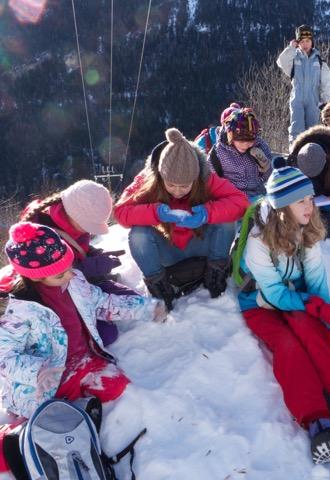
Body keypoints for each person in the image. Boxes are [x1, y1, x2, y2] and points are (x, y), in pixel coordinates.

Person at [0, 222, 167, 472]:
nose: (69, 275)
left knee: (115, 386)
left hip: (81, 360)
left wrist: (144, 309)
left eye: (69, 267)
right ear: (34, 275)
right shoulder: (18, 311)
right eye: (60, 274)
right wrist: (36, 371)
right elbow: (4, 355)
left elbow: (102, 303)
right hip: (41, 380)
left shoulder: (74, 281)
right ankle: (13, 439)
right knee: (51, 422)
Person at [238, 159, 330, 464]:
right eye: (301, 201)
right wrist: (311, 305)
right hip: (260, 303)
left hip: (296, 295)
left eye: (310, 198)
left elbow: (315, 278)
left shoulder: (307, 229)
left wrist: (322, 312)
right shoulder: (259, 241)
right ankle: (317, 421)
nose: (310, 206)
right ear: (282, 207)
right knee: (288, 346)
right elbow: (272, 293)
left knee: (311, 332)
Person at [114, 127, 249, 310]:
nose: (177, 191)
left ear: (195, 179)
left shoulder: (206, 178)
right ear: (161, 177)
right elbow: (121, 212)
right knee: (139, 234)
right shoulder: (148, 180)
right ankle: (161, 290)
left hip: (201, 243)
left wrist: (206, 213)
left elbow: (240, 202)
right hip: (168, 250)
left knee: (225, 220)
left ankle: (216, 276)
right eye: (171, 185)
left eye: (185, 186)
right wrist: (156, 213)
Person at [18, 179, 135, 346]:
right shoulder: (41, 233)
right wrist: (95, 266)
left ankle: (92, 315)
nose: (89, 230)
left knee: (131, 301)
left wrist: (96, 254)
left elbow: (80, 248)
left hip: (82, 285)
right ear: (73, 214)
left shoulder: (71, 223)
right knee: (106, 335)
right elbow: (56, 275)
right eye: (88, 225)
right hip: (58, 294)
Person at [289, 125, 330, 237]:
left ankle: (315, 229)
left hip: (329, 203)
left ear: (326, 160)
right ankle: (312, 228)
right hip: (304, 204)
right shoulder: (295, 158)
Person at [277, 24, 330, 145]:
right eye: (302, 41)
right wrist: (291, 48)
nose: (305, 44)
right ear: (298, 43)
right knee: (296, 129)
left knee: (314, 132)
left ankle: (314, 155)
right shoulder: (294, 59)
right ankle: (295, 154)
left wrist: (325, 102)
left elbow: (326, 84)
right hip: (297, 100)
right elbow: (281, 61)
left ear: (312, 42)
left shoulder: (320, 62)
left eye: (308, 41)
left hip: (314, 101)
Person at [211, 103, 272, 201]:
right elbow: (211, 180)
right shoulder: (218, 153)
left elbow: (271, 176)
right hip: (231, 198)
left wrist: (266, 167)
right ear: (231, 136)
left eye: (250, 140)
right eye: (241, 141)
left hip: (258, 195)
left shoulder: (260, 146)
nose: (246, 145)